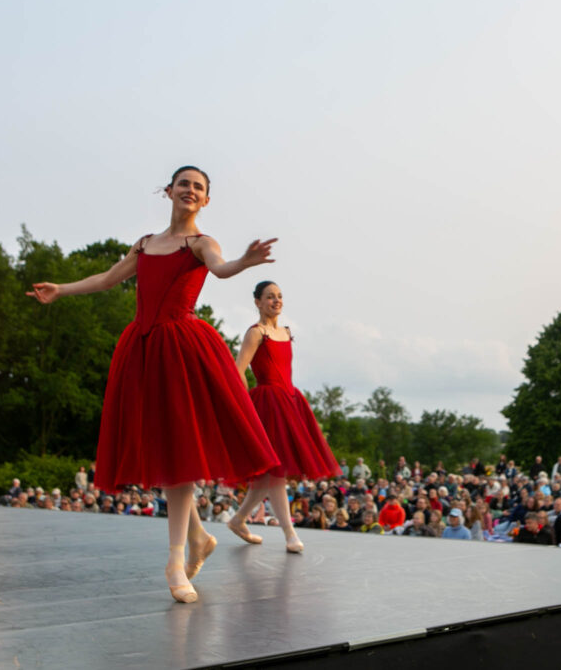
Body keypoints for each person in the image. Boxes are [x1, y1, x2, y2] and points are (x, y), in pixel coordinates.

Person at [27, 166, 282, 604]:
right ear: (168, 191)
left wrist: (245, 261)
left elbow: (221, 270)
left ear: (205, 201)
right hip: (143, 349)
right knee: (166, 449)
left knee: (178, 451)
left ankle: (176, 559)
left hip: (180, 349)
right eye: (183, 183)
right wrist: (61, 289)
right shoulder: (145, 244)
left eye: (198, 188)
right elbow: (108, 279)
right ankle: (199, 537)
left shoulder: (201, 244)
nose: (190, 190)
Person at [230, 281, 341, 554]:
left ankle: (237, 519)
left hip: (289, 401)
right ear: (257, 302)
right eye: (269, 297)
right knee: (276, 473)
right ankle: (290, 533)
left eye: (279, 296)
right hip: (267, 404)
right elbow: (237, 369)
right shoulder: (256, 333)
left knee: (267, 478)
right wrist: (245, 404)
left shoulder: (286, 332)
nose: (276, 301)